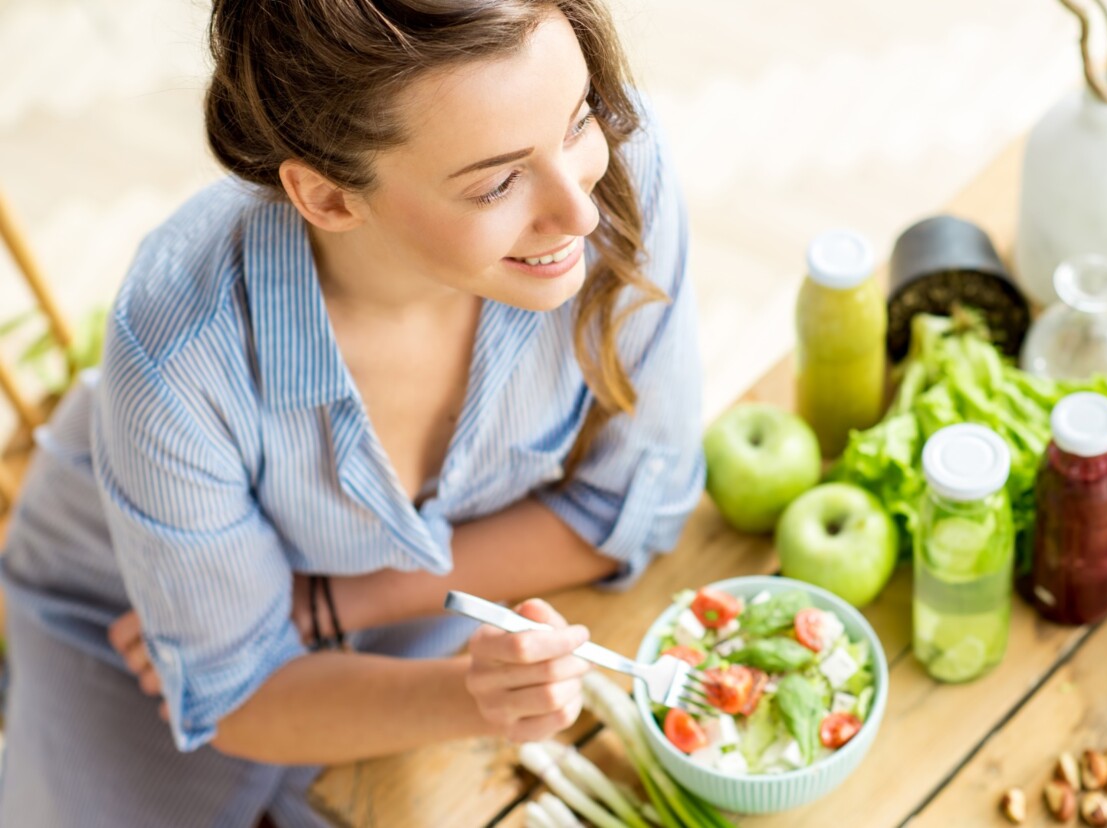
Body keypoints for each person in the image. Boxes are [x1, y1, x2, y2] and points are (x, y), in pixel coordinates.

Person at [0, 1, 704, 824]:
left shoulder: (614, 173)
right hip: (124, 615)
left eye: (577, 117)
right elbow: (242, 691)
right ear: (329, 199)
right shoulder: (177, 351)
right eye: (497, 182)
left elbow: (637, 504)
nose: (580, 213)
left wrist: (338, 603)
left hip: (403, 608)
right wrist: (472, 695)